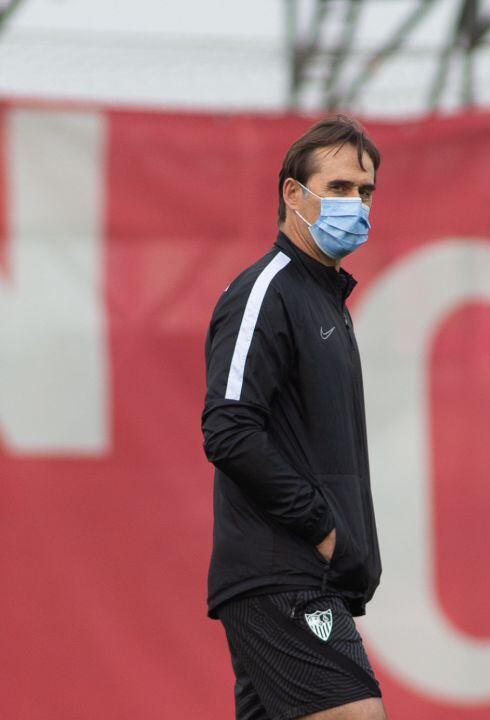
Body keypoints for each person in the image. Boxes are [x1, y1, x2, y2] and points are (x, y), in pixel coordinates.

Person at [201, 115, 387, 720]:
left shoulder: (324, 299)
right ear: (292, 194)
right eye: (337, 188)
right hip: (284, 575)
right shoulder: (267, 291)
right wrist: (324, 531)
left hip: (311, 577)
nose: (354, 205)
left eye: (364, 192)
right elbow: (228, 427)